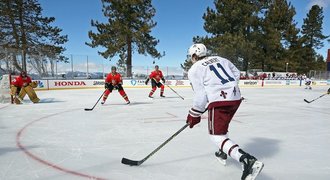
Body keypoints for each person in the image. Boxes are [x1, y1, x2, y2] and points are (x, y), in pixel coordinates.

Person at [186, 43, 264, 180]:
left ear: (194, 55)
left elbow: (200, 96)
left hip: (220, 102)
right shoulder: (221, 59)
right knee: (222, 128)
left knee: (216, 136)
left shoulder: (194, 69)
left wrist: (194, 114)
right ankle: (223, 152)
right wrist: (229, 88)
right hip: (235, 98)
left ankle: (247, 160)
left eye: (190, 56)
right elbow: (236, 73)